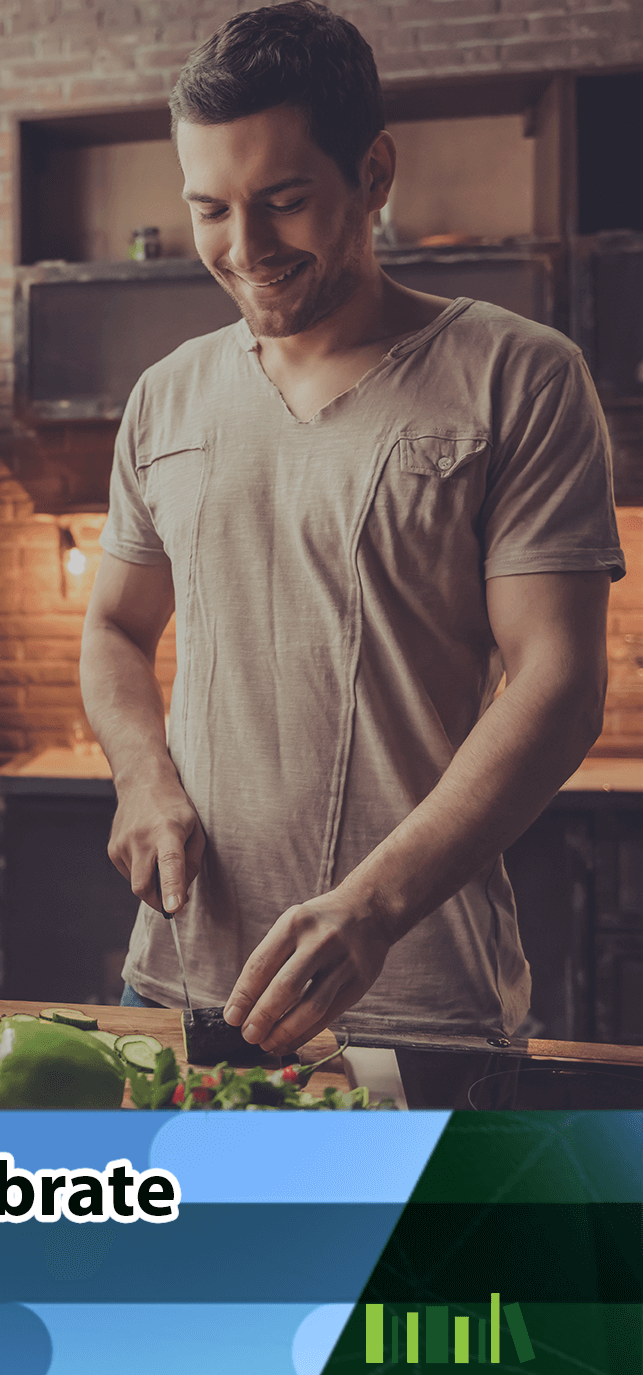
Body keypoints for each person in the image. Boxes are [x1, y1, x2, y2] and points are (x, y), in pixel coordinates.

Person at [80, 2, 619, 1067]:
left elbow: (560, 685)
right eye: (212, 210)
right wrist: (141, 775)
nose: (246, 249)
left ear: (374, 174)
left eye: (284, 202)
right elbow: (112, 628)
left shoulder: (520, 375)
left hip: (422, 993)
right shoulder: (166, 397)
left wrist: (371, 908)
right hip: (186, 976)